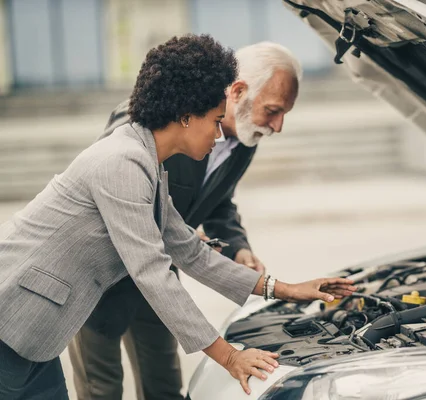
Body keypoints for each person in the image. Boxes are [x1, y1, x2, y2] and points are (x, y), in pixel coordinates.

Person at [0, 34, 356, 400]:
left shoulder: (149, 165)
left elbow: (189, 251)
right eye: (217, 121)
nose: (220, 135)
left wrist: (284, 289)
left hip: (36, 336)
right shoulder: (122, 161)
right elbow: (152, 270)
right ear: (186, 116)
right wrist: (230, 356)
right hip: (11, 316)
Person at [68, 42, 303, 400]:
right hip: (102, 282)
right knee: (101, 390)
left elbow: (219, 201)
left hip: (161, 280)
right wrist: (228, 355)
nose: (278, 126)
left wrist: (238, 249)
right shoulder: (145, 123)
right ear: (238, 92)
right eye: (273, 110)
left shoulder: (244, 139)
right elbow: (120, 197)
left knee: (164, 386)